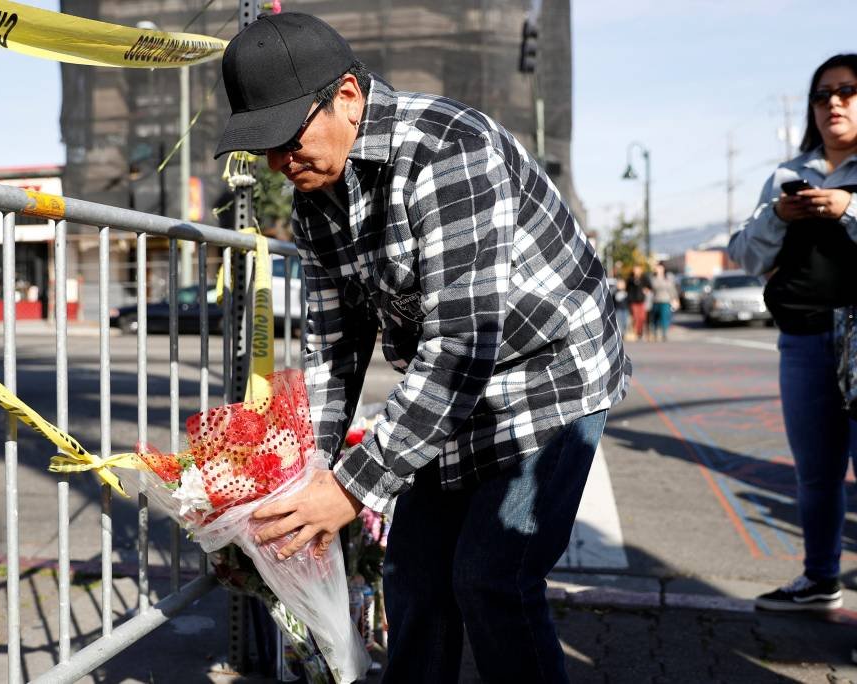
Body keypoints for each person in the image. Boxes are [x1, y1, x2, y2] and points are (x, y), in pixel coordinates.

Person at [213, 13, 631, 683]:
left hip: (548, 373)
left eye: (287, 137)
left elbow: (462, 344)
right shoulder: (314, 200)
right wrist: (312, 476)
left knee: (491, 579)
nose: (278, 163)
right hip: (452, 390)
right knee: (413, 579)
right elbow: (331, 349)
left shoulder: (449, 149)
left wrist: (350, 491)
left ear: (346, 96)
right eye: (262, 147)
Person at [728, 53, 857, 614]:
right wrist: (779, 214)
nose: (834, 102)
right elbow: (744, 254)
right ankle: (819, 578)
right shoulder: (788, 175)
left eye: (848, 91)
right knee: (815, 473)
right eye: (823, 93)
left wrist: (849, 208)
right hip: (802, 338)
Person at [648, 263, 677, 342]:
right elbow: (650, 289)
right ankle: (654, 333)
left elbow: (672, 290)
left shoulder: (667, 279)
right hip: (655, 300)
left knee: (664, 317)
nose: (658, 269)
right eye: (657, 268)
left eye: (660, 268)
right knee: (655, 318)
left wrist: (674, 299)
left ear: (663, 269)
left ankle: (664, 334)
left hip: (665, 300)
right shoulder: (652, 279)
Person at [625, 263, 651, 341]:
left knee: (642, 317)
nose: (636, 271)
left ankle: (641, 331)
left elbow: (649, 286)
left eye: (638, 269)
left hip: (642, 300)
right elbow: (627, 289)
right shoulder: (630, 278)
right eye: (635, 269)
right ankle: (637, 333)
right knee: (636, 317)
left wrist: (647, 290)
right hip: (633, 301)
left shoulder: (644, 278)